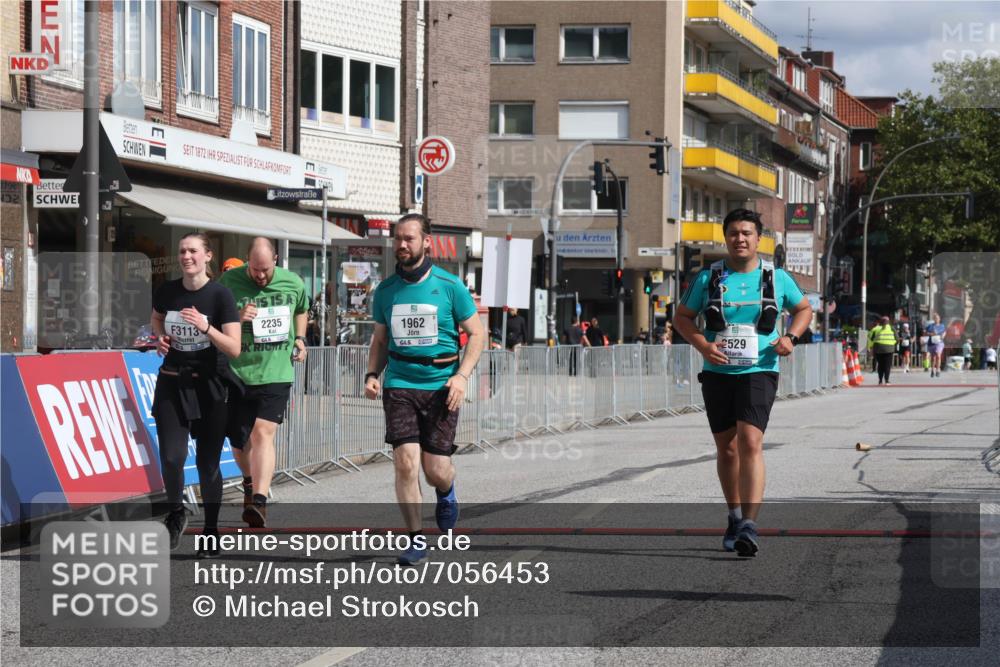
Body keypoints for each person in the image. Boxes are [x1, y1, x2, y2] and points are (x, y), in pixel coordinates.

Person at [674, 209, 812, 558]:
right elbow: (682, 318)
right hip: (718, 372)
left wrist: (791, 339)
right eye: (734, 233)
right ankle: (734, 516)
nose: (740, 238)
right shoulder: (708, 278)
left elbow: (804, 309)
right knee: (728, 448)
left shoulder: (776, 277)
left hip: (760, 369)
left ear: (758, 238)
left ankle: (750, 524)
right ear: (726, 238)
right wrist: (703, 345)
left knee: (751, 442)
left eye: (747, 233)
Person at [363, 214, 485, 565]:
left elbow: (477, 334)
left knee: (436, 470)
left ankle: (446, 491)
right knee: (405, 463)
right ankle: (415, 540)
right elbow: (381, 339)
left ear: (426, 241)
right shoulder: (386, 291)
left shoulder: (449, 286)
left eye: (410, 238)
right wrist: (373, 373)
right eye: (398, 239)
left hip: (441, 385)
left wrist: (461, 377)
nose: (402, 245)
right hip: (400, 383)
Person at [150, 233, 241, 556]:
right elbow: (157, 317)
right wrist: (160, 337)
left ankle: (212, 529)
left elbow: (233, 348)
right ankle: (176, 512)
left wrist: (206, 327)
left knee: (207, 465)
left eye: (193, 251)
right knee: (172, 457)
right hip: (173, 382)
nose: (186, 256)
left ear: (208, 257)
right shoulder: (167, 291)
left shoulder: (220, 296)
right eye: (182, 251)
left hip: (210, 386)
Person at [219, 237, 309, 528]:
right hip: (238, 371)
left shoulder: (292, 282)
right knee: (239, 441)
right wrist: (236, 316)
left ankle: (259, 501)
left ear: (276, 262)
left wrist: (300, 338)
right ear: (247, 260)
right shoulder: (228, 282)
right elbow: (213, 318)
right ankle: (248, 483)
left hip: (276, 371)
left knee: (263, 433)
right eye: (255, 269)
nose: (260, 275)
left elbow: (301, 310)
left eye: (266, 270)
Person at [869, 316, 897, 385]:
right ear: (888, 322)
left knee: (880, 365)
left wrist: (871, 347)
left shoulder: (876, 329)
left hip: (878, 349)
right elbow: (897, 339)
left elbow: (870, 337)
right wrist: (893, 344)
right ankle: (887, 380)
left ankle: (880, 380)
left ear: (880, 322)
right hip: (889, 349)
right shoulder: (892, 328)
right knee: (887, 365)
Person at [925, 313, 947, 377]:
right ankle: (932, 370)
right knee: (933, 357)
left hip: (939, 342)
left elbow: (944, 332)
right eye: (935, 318)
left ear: (939, 319)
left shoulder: (942, 326)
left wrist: (943, 335)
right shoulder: (930, 326)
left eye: (937, 318)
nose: (936, 319)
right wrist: (931, 334)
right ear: (934, 319)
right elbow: (926, 332)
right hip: (931, 343)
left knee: (938, 355)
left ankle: (938, 370)